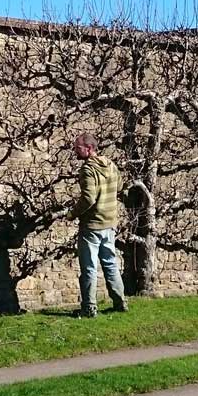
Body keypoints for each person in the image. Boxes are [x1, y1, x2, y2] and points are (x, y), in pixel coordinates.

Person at [70, 132, 128, 318]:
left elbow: (88, 198)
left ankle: (89, 307)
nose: (75, 151)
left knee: (89, 268)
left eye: (78, 148)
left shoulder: (88, 169)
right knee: (111, 264)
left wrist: (73, 213)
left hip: (92, 226)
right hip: (110, 222)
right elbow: (119, 186)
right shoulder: (110, 164)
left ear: (89, 149)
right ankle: (120, 302)